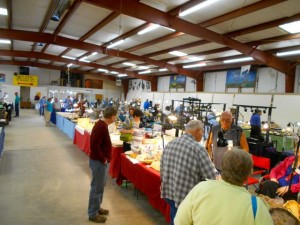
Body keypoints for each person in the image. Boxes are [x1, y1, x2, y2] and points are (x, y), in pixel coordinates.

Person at [174, 149, 273, 225]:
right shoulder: (256, 206)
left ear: (222, 167)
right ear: (248, 174)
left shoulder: (200, 188)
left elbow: (179, 221)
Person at [160, 120, 218, 225]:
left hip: (169, 192)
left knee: (175, 218)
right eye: (202, 131)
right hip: (186, 197)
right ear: (197, 131)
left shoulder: (171, 143)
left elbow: (162, 169)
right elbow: (212, 176)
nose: (202, 134)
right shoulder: (198, 149)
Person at [88, 107, 117, 223]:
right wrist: (103, 159)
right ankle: (92, 214)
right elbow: (94, 146)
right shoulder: (101, 126)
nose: (115, 118)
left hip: (100, 162)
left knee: (100, 187)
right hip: (99, 162)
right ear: (112, 116)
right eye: (115, 116)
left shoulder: (102, 125)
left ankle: (97, 207)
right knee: (96, 188)